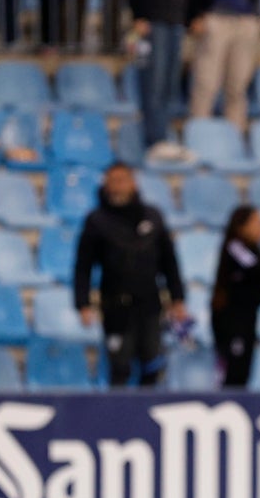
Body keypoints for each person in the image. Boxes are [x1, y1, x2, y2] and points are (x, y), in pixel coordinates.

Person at [75, 163, 189, 386]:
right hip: (116, 306)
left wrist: (178, 299)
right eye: (112, 181)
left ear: (133, 183)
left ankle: (145, 416)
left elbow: (169, 261)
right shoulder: (97, 220)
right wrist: (83, 303)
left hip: (149, 304)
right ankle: (117, 417)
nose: (117, 186)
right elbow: (83, 266)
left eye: (122, 180)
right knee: (120, 366)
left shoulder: (153, 217)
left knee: (152, 364)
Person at [124, 0, 195, 162]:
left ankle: (164, 136)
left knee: (169, 84)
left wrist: (190, 15)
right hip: (152, 19)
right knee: (153, 82)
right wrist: (138, 14)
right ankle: (154, 140)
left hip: (176, 17)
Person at [211, 205, 260, 387]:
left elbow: (253, 286)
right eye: (257, 222)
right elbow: (256, 269)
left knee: (244, 372)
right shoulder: (235, 246)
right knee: (233, 371)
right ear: (242, 226)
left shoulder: (256, 250)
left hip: (247, 320)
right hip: (231, 321)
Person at [187, 0, 260, 131]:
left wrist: (255, 15)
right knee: (206, 82)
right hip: (215, 17)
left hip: (245, 19)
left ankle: (234, 137)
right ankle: (199, 133)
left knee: (238, 85)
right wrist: (195, 15)